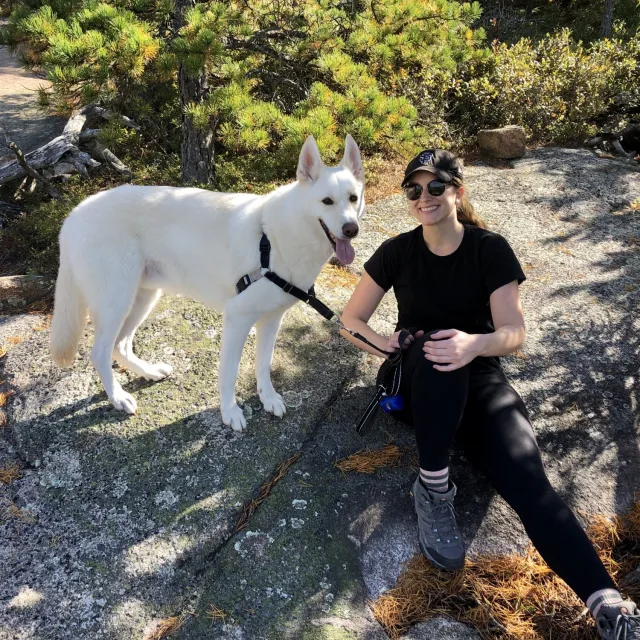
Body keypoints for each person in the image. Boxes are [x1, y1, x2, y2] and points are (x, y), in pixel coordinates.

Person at [339, 149, 640, 639]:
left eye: (435, 186)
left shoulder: (489, 249)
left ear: (457, 190)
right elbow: (350, 321)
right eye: (413, 190)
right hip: (416, 378)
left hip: (480, 381)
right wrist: (384, 342)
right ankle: (433, 487)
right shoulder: (397, 250)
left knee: (527, 479)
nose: (423, 197)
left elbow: (513, 333)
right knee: (440, 352)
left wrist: (474, 344)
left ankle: (609, 606)